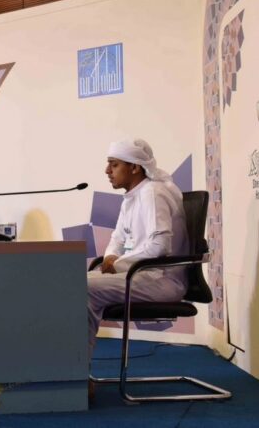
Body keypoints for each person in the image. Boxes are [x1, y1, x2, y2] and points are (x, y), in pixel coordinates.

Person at [87, 139, 189, 395]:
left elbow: (159, 246)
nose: (107, 171)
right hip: (139, 275)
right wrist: (112, 257)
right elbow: (117, 239)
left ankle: (75, 373)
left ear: (134, 167)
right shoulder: (132, 197)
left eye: (114, 165)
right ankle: (73, 371)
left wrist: (117, 264)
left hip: (161, 280)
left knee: (82, 287)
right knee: (75, 284)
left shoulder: (152, 193)